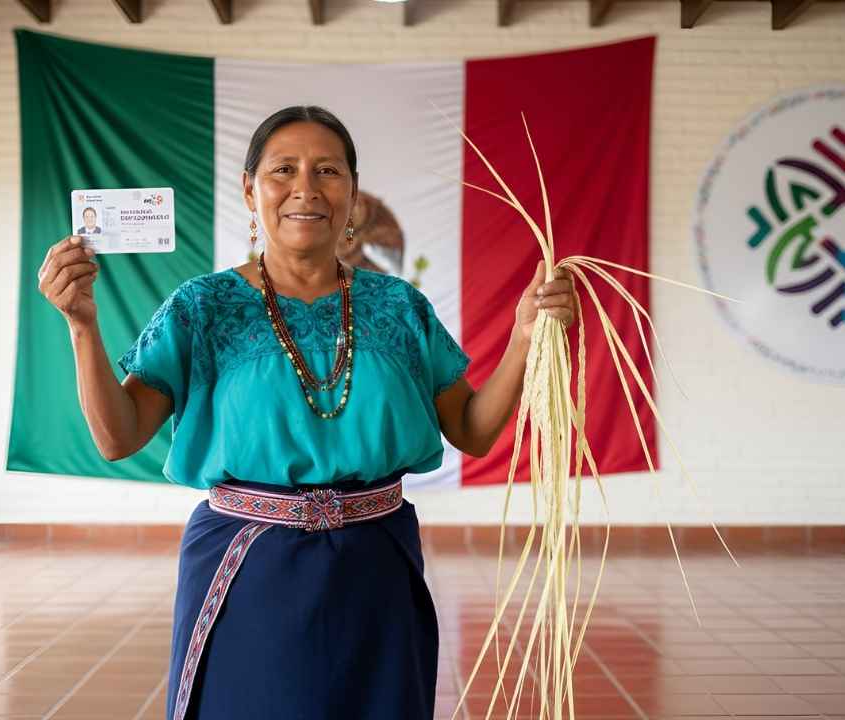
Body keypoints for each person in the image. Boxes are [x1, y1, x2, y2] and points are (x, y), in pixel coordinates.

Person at [36, 105, 575, 720]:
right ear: (249, 190)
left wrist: (526, 337)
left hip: (378, 568)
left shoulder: (400, 307)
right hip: (246, 571)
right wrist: (82, 324)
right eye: (282, 170)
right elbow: (118, 436)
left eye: (328, 171)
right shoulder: (201, 307)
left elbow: (473, 430)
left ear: (352, 192)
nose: (306, 189)